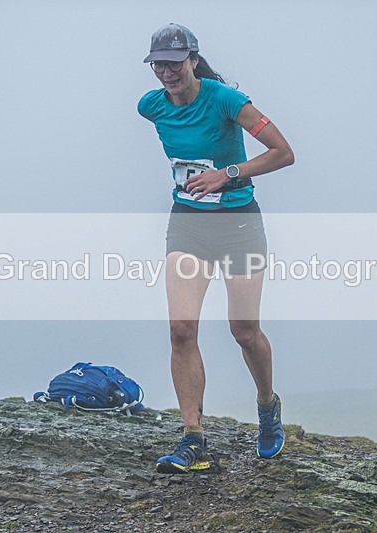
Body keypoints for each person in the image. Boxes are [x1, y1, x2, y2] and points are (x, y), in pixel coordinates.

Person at [138, 23, 294, 473]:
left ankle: (267, 405)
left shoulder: (226, 100)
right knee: (181, 329)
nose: (166, 72)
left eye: (174, 62)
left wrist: (227, 174)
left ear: (192, 58)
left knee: (243, 332)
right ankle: (193, 438)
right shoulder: (150, 106)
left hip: (239, 224)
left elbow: (283, 152)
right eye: (158, 65)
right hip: (187, 224)